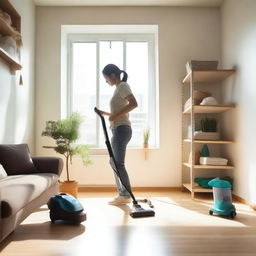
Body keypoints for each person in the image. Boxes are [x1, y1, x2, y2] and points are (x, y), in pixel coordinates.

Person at [98, 64, 138, 205]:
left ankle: (125, 195)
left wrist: (115, 116)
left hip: (122, 129)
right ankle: (123, 193)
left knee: (118, 163)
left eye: (106, 78)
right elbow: (119, 113)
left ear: (113, 75)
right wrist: (106, 114)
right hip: (118, 128)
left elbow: (134, 104)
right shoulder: (118, 90)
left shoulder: (123, 86)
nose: (106, 81)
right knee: (114, 162)